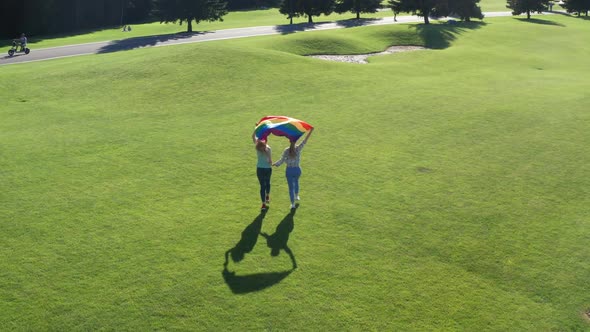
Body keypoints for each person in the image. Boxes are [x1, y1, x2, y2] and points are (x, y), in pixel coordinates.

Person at [273, 127, 314, 209]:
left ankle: (292, 204)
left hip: (289, 171)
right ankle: (297, 196)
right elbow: (305, 141)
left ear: (289, 141)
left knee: (290, 188)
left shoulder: (286, 150)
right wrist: (310, 131)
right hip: (297, 170)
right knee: (296, 182)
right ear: (295, 142)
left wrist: (275, 164)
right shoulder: (298, 149)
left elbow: (281, 160)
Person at [253, 131, 272, 210]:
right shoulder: (259, 147)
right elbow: (270, 161)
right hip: (263, 169)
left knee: (266, 184)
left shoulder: (267, 149)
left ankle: (267, 195)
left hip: (264, 169)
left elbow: (270, 161)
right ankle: (264, 202)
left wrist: (266, 153)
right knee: (263, 185)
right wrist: (257, 128)